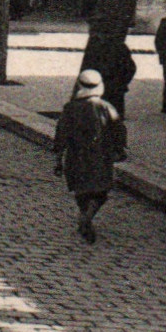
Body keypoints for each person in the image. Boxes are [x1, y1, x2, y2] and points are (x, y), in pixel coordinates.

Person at [53, 68, 127, 244]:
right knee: (101, 191)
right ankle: (87, 217)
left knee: (81, 190)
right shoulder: (106, 107)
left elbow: (61, 134)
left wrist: (58, 159)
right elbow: (119, 130)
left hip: (76, 157)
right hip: (100, 156)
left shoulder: (70, 108)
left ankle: (84, 216)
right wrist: (119, 150)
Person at [84, 35, 137, 122]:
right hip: (115, 87)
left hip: (103, 86)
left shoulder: (97, 48)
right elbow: (131, 68)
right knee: (115, 119)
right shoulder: (121, 47)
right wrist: (123, 82)